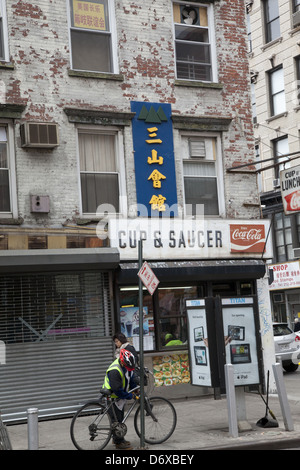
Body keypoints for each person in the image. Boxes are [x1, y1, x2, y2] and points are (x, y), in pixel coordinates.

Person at [102, 349, 137, 450]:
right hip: (112, 396)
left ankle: (117, 438)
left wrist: (135, 389)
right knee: (117, 420)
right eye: (127, 367)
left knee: (120, 418)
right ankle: (119, 443)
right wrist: (129, 396)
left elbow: (130, 377)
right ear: (122, 361)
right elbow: (117, 390)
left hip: (119, 397)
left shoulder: (128, 366)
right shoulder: (114, 370)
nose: (129, 369)